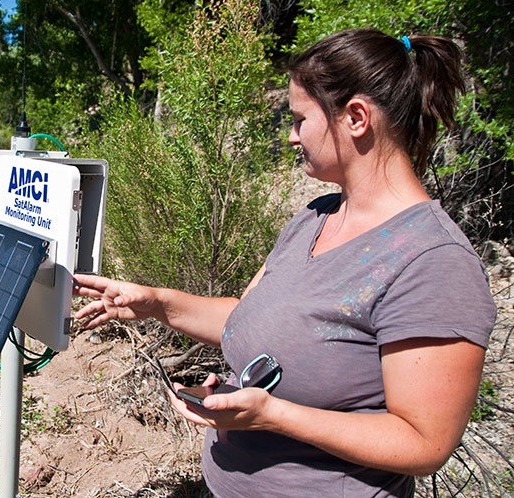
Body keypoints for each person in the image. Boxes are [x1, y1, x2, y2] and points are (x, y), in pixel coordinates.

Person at [72, 28, 497, 497]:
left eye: (300, 119)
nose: (292, 137)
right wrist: (155, 302)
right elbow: (251, 315)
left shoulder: (433, 262)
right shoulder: (316, 216)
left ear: (356, 117)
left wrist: (273, 416)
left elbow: (424, 443)